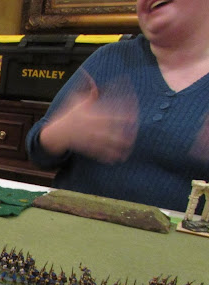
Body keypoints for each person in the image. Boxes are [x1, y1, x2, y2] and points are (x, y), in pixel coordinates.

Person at [26, 0, 209, 213]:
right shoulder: (108, 58)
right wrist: (62, 133)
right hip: (75, 223)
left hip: (177, 234)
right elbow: (38, 154)